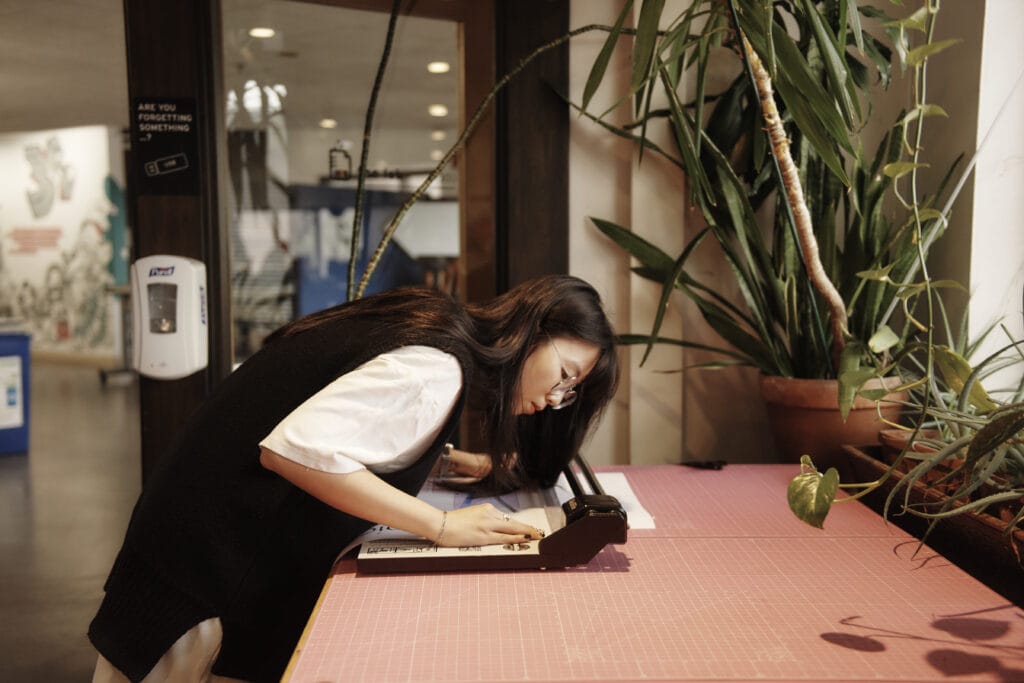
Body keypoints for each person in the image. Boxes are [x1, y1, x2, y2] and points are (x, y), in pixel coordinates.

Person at [89, 274, 619, 683]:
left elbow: (340, 425)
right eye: (566, 375)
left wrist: (450, 461)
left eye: (570, 393)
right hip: (203, 577)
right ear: (532, 328)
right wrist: (441, 526)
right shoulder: (437, 371)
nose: (556, 399)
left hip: (185, 545)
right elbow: (294, 452)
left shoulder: (437, 320)